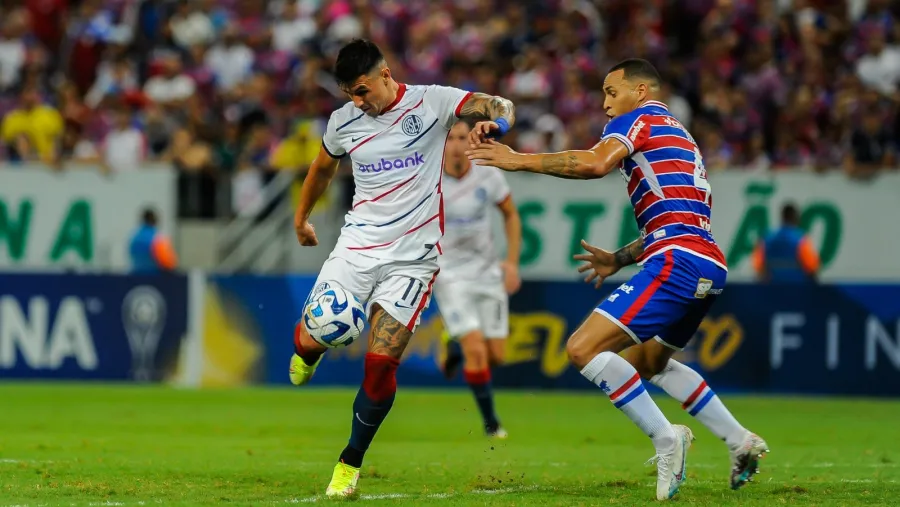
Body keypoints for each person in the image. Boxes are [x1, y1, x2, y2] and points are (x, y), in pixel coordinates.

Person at [466, 59, 767, 501]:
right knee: (650, 363)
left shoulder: (637, 120)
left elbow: (595, 164)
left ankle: (667, 439)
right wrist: (620, 258)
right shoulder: (680, 134)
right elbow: (676, 218)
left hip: (678, 261)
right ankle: (741, 441)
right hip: (707, 261)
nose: (605, 104)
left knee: (582, 348)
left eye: (612, 92)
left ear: (640, 91)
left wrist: (517, 160)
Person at [288, 39, 516, 498]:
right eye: (349, 94)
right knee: (310, 338)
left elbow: (499, 103)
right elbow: (323, 168)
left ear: (385, 75)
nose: (357, 101)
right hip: (356, 249)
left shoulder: (433, 102)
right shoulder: (343, 122)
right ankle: (309, 353)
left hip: (414, 260)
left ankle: (349, 463)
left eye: (361, 90)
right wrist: (301, 218)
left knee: (380, 363)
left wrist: (499, 122)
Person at [433, 120, 522, 440]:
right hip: (450, 275)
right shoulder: (429, 179)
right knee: (477, 351)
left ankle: (453, 345)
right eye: (451, 138)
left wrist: (511, 264)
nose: (457, 145)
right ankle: (491, 423)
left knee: (496, 355)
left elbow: (510, 214)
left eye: (462, 138)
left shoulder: (488, 175)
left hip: (487, 273)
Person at [752, 203, 820, 283]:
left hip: (772, 287)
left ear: (782, 217)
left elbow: (758, 266)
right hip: (797, 286)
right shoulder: (801, 239)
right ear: (795, 218)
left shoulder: (767, 238)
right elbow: (812, 267)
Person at [129, 208, 178, 273]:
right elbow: (167, 262)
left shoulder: (135, 238)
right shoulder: (158, 238)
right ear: (155, 221)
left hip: (137, 274)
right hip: (155, 275)